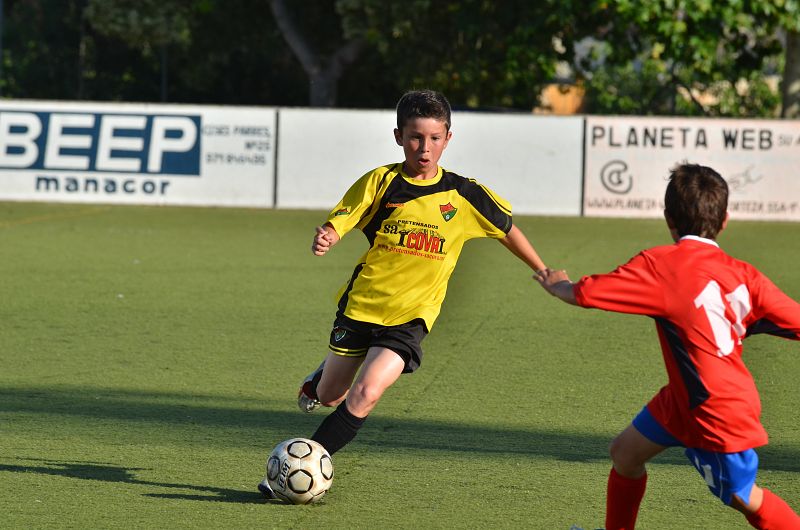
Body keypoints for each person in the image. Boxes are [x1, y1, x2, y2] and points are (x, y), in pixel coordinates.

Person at [259, 89, 548, 497]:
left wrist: (543, 270)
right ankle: (319, 380)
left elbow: (507, 229)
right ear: (398, 136)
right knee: (331, 394)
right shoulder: (382, 182)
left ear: (448, 138)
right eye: (415, 137)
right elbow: (343, 217)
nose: (424, 148)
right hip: (361, 305)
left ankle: (302, 465)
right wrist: (329, 235)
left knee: (367, 392)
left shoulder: (464, 195)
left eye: (433, 138)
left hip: (411, 318)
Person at [537, 163, 800, 530]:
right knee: (625, 454)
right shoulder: (744, 274)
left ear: (668, 219)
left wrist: (557, 285)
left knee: (744, 496)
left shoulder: (661, 264)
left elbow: (586, 293)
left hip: (714, 408)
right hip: (684, 397)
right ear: (724, 220)